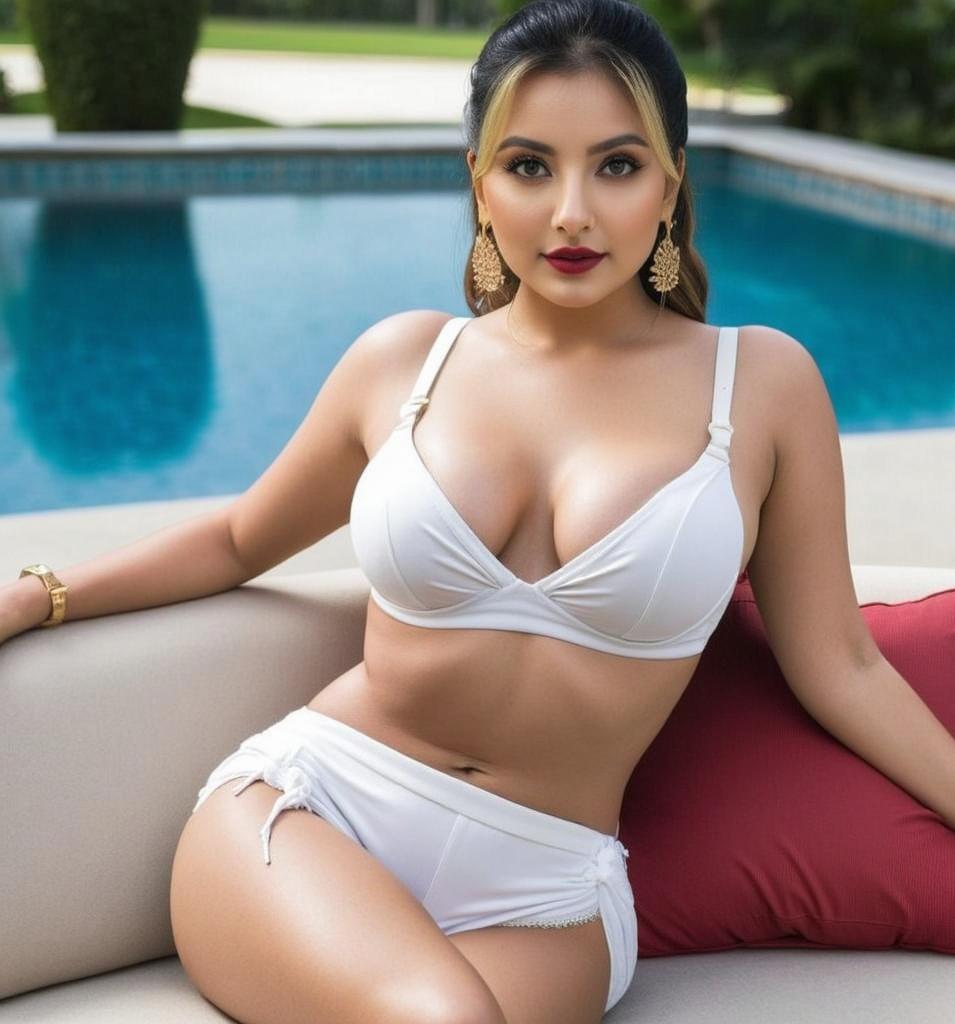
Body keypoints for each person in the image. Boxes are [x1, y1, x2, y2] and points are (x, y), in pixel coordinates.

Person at [0, 1, 881, 1021]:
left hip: (546, 887)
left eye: (617, 165)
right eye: (529, 165)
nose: (570, 215)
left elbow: (845, 667)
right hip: (315, 812)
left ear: (672, 183)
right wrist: (39, 595)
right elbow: (239, 537)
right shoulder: (406, 362)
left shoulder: (762, 386)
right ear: (478, 181)